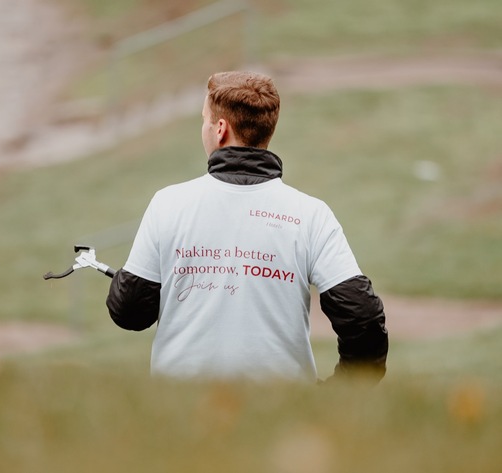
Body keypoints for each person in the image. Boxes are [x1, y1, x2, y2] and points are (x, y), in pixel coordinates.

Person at [106, 71, 388, 383]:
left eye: (205, 120)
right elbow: (363, 320)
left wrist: (125, 282)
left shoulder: (169, 203)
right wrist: (336, 399)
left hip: (179, 416)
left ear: (220, 129)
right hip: (282, 415)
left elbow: (130, 313)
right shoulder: (310, 214)